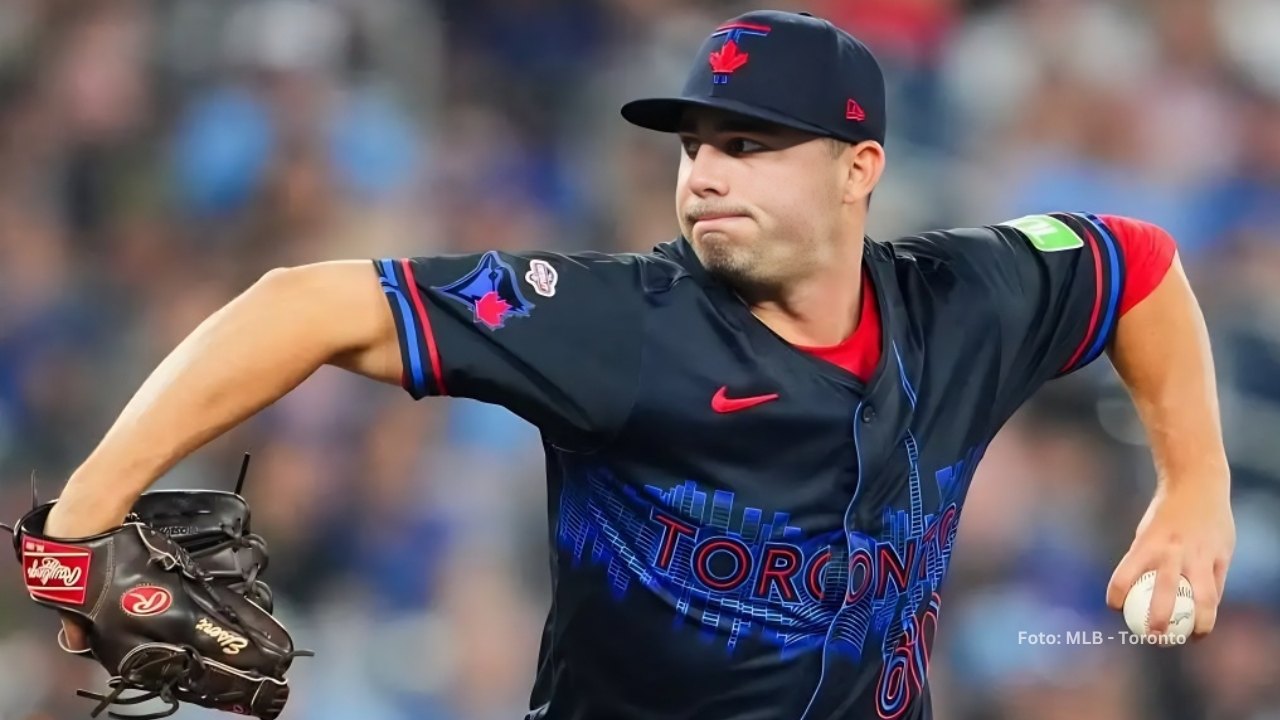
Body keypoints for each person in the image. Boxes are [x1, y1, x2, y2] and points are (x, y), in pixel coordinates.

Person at [38, 10, 1233, 720]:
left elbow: (1133, 264)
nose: (703, 171)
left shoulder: (959, 299)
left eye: (749, 144)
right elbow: (296, 304)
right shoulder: (620, 323)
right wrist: (80, 527)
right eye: (695, 143)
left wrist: (1191, 485)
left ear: (856, 170)